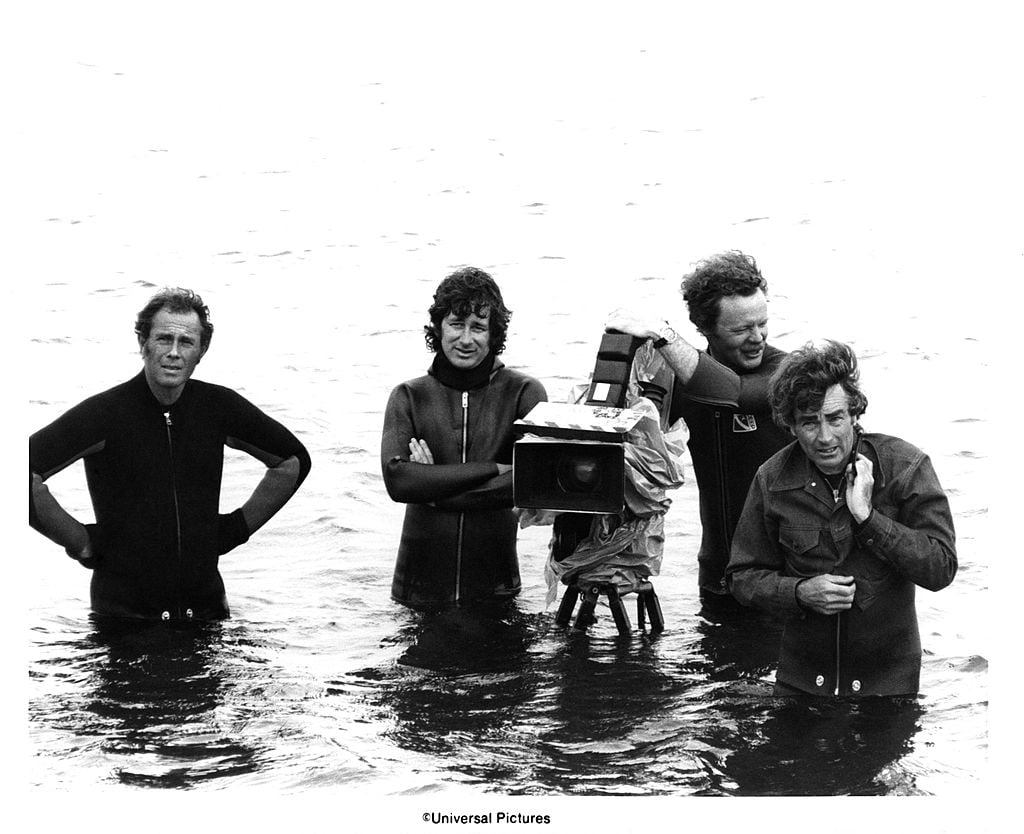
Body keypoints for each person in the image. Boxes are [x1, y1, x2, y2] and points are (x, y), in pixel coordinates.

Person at [29, 288, 312, 621]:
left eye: (186, 342)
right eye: (164, 339)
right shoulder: (105, 414)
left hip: (206, 614)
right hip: (125, 621)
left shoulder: (218, 407)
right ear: (143, 343)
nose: (174, 353)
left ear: (201, 351)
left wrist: (234, 529)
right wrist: (81, 542)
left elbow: (291, 461)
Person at [726, 340, 957, 697]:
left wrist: (869, 519)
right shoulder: (772, 478)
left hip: (887, 689)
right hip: (801, 684)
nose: (824, 437)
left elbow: (941, 568)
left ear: (854, 414)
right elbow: (741, 578)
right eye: (808, 422)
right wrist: (800, 592)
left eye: (835, 419)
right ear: (790, 425)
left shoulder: (905, 467)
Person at [606, 251, 791, 605]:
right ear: (706, 328)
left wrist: (661, 333)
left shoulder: (785, 372)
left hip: (783, 575)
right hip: (717, 572)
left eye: (762, 323)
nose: (758, 337)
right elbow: (631, 446)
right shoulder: (681, 380)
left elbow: (731, 393)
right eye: (741, 329)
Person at [381, 267, 547, 609]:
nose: (466, 339)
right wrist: (493, 468)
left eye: (478, 327)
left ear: (494, 333)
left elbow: (530, 482)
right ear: (439, 327)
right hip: (417, 591)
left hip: (496, 589)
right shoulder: (409, 396)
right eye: (457, 324)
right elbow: (399, 482)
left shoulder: (524, 394)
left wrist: (435, 489)